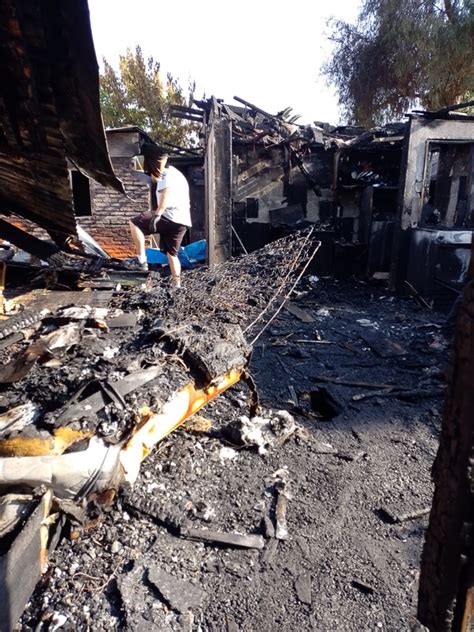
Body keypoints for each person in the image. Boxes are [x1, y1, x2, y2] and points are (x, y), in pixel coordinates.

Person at [128, 143, 191, 288]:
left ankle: (142, 260)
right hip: (183, 221)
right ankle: (178, 286)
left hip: (169, 216)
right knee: (172, 254)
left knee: (134, 223)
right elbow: (154, 180)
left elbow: (165, 194)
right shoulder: (175, 173)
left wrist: (157, 215)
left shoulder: (165, 175)